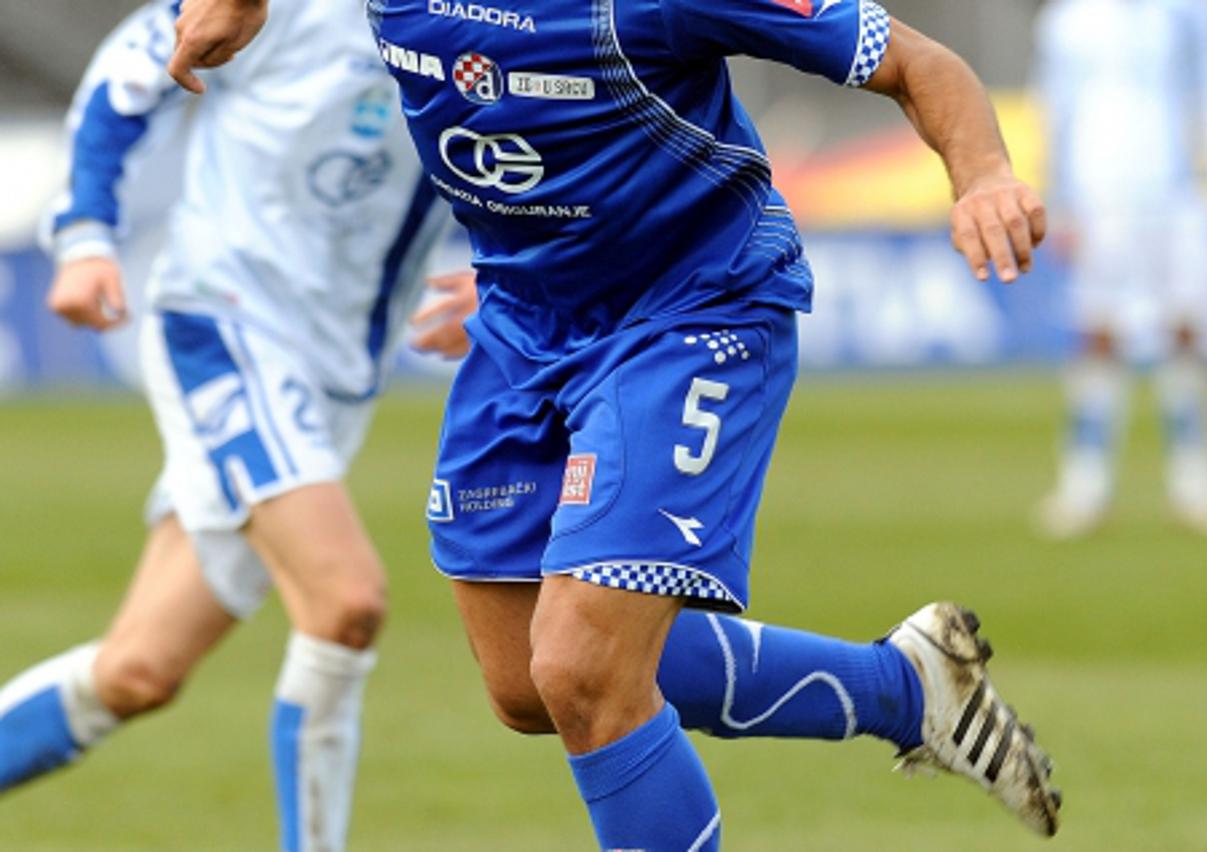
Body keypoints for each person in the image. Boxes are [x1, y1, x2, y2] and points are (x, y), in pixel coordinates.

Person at [168, 0, 1063, 847]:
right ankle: (907, 691)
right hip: (524, 322)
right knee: (527, 682)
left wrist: (982, 175)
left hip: (693, 310)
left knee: (583, 671)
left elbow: (917, 60)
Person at [0, 2, 456, 850]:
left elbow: (544, 156)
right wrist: (87, 234)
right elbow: (126, 77)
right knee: (346, 601)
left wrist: (511, 280)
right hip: (227, 327)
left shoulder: (497, 22)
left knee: (137, 673)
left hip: (338, 375)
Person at [1033, 0, 1207, 538]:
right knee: (1098, 333)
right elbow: (1056, 108)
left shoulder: (1192, 11)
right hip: (1099, 195)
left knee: (1187, 330)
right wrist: (1056, 196)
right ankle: (1085, 484)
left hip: (1183, 194)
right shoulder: (1068, 20)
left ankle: (1195, 482)